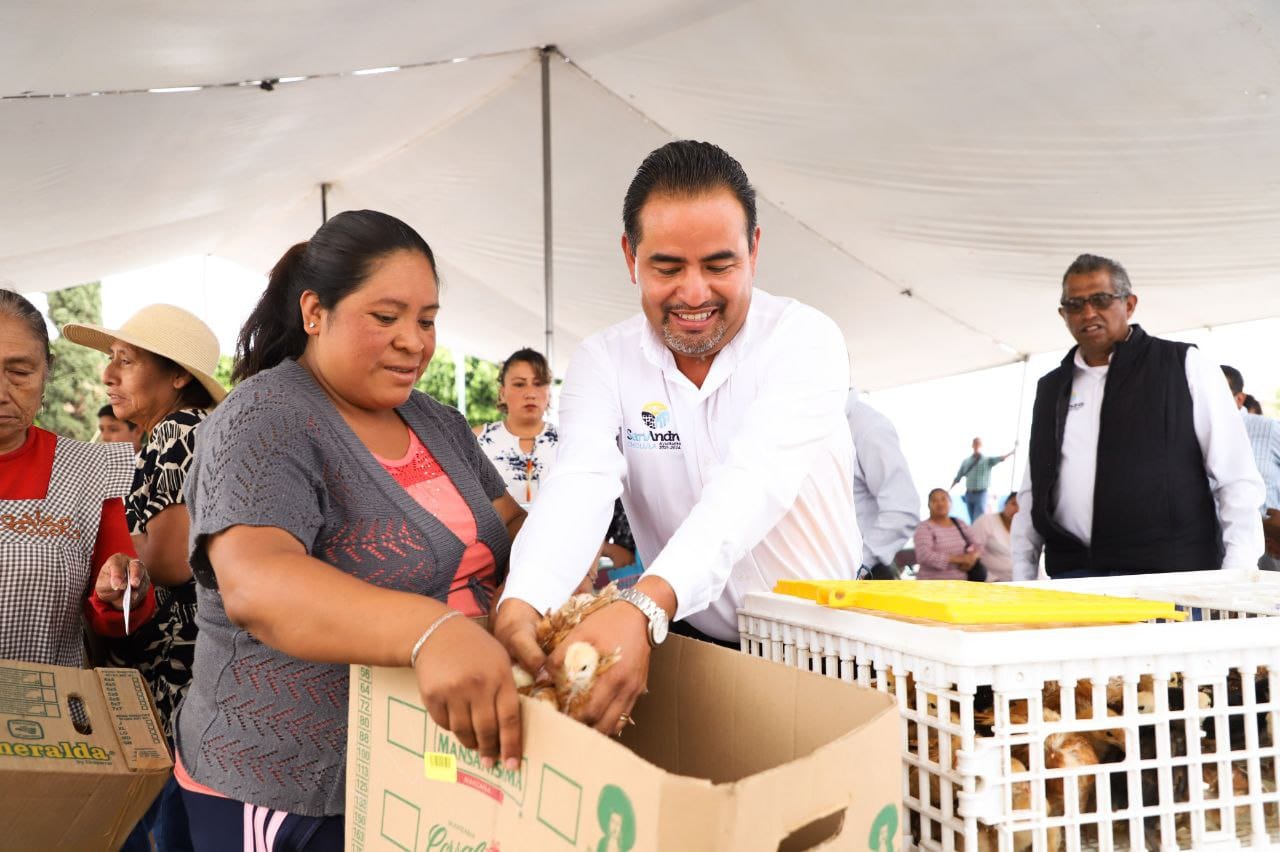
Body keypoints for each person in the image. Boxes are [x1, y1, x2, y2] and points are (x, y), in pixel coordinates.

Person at [172, 210, 525, 850]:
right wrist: (432, 631)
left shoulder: (438, 422)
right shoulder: (265, 419)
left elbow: (503, 525)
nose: (413, 342)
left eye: (426, 320)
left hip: (425, 774)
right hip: (293, 785)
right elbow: (260, 584)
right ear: (315, 311)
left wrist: (560, 572)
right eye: (385, 318)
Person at [494, 140, 860, 736]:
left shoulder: (804, 339)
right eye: (667, 268)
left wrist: (645, 603)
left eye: (720, 266)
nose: (694, 294)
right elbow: (580, 482)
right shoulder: (603, 361)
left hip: (829, 657)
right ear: (629, 257)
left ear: (755, 250)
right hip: (695, 648)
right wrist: (525, 598)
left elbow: (753, 483)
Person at [64, 304, 227, 852]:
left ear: (178, 375)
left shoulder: (176, 430)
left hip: (175, 668)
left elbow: (169, 562)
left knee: (161, 825)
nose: (109, 374)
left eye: (126, 361)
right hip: (202, 665)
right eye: (111, 359)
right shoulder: (202, 429)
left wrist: (93, 544)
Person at [1011, 254, 1263, 580]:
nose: (1088, 313)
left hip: (1171, 577)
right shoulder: (1051, 388)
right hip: (1075, 579)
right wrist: (1022, 573)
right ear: (1063, 315)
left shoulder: (1182, 365)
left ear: (1129, 305)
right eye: (1075, 304)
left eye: (1100, 300)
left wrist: (1236, 573)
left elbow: (1236, 477)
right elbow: (1034, 489)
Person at [0, 289, 153, 668]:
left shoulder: (86, 469)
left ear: (46, 372)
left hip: (49, 713)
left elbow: (116, 611)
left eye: (19, 373)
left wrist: (121, 594)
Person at [846, 392, 920, 579]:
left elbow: (902, 510)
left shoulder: (866, 426)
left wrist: (854, 568)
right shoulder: (815, 424)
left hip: (859, 578)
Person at [474, 347, 558, 506]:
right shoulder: (475, 442)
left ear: (549, 391)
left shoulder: (568, 444)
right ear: (502, 392)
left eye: (539, 384)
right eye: (519, 384)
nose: (530, 393)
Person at [1221, 365, 1280, 570]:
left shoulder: (1268, 428)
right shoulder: (1187, 433)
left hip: (1266, 550)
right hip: (1205, 552)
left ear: (1239, 399)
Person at [913, 488, 983, 580]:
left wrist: (972, 559)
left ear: (950, 503)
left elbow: (979, 545)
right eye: (935, 500)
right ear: (928, 505)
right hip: (932, 584)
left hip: (961, 583)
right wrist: (959, 559)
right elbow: (924, 555)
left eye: (943, 499)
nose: (940, 504)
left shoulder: (959, 523)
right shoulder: (924, 527)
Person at [950, 437, 1013, 522]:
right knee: (972, 519)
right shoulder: (966, 461)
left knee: (979, 519)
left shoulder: (987, 460)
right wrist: (949, 490)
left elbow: (1001, 458)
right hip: (969, 494)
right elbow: (958, 477)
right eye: (975, 443)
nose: (977, 445)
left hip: (981, 493)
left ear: (981, 445)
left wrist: (1012, 452)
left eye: (978, 443)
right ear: (972, 445)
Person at [970, 493, 1019, 582]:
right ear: (1005, 504)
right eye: (1014, 504)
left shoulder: (1027, 528)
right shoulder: (986, 521)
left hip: (1025, 581)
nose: (1017, 509)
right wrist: (990, 579)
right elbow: (972, 555)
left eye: (1023, 506)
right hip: (995, 582)